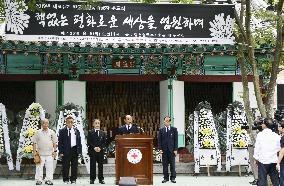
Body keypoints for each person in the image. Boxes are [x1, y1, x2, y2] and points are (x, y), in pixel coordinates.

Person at [253, 118, 280, 186]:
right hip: (274, 160)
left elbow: (257, 148)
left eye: (262, 123)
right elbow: (279, 148)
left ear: (265, 125)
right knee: (275, 181)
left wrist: (256, 159)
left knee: (262, 181)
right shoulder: (276, 136)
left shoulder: (260, 135)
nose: (261, 125)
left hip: (263, 160)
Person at [32, 119, 58, 185]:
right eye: (44, 123)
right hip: (40, 154)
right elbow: (34, 142)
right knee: (39, 167)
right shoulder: (38, 132)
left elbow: (55, 142)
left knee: (49, 167)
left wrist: (55, 151)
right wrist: (34, 152)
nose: (45, 125)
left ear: (48, 124)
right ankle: (39, 180)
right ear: (41, 124)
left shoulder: (52, 132)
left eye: (47, 123)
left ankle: (48, 180)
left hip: (49, 153)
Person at [58, 116, 82, 184]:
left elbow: (79, 141)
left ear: (73, 122)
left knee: (74, 166)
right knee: (65, 166)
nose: (70, 123)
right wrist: (61, 152)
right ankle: (65, 179)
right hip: (66, 150)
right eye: (69, 122)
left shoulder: (76, 130)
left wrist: (79, 151)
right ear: (66, 123)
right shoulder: (62, 131)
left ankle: (73, 179)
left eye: (71, 122)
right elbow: (60, 142)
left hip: (74, 150)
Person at [158, 116, 178, 183]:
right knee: (165, 165)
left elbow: (176, 140)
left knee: (172, 165)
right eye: (165, 121)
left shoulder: (174, 129)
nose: (166, 122)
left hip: (172, 150)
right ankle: (165, 178)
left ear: (169, 122)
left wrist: (175, 149)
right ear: (164, 121)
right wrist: (160, 149)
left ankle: (173, 178)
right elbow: (159, 140)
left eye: (168, 121)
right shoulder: (161, 130)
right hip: (164, 150)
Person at [87, 119, 106, 184]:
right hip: (93, 151)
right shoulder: (90, 132)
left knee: (101, 165)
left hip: (100, 151)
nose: (97, 124)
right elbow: (89, 142)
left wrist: (100, 148)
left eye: (98, 123)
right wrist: (94, 147)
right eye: (96, 123)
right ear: (93, 124)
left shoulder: (103, 133)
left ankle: (101, 179)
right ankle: (92, 179)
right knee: (92, 165)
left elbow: (104, 142)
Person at [277, 120, 284, 186]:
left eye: (279, 126)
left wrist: (278, 162)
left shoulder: (283, 138)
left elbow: (282, 151)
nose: (278, 128)